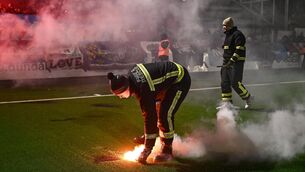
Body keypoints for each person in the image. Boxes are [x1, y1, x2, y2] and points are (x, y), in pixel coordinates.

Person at [107, 61, 191, 164]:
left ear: (126, 88)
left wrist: (147, 149)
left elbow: (150, 118)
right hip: (162, 84)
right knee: (156, 110)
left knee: (165, 115)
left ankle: (167, 150)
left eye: (120, 94)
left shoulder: (143, 90)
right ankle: (152, 135)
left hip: (179, 80)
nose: (120, 97)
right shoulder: (131, 77)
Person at [218, 17, 253, 109]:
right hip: (226, 63)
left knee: (235, 83)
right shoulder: (228, 35)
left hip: (236, 63)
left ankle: (248, 98)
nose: (223, 27)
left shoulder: (238, 35)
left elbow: (239, 50)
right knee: (224, 83)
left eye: (224, 25)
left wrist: (231, 61)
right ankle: (227, 104)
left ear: (229, 26)